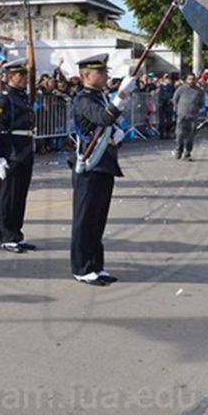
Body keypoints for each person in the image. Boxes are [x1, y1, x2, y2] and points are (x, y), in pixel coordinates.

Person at [69, 53, 137, 286]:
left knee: (98, 219)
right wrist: (121, 96)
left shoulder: (99, 97)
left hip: (103, 164)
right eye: (101, 72)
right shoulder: (84, 99)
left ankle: (96, 265)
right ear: (87, 75)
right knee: (85, 218)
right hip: (91, 166)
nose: (106, 75)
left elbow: (108, 123)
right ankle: (81, 267)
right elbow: (102, 118)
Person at [0, 58, 36, 253]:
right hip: (11, 153)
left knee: (20, 195)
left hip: (24, 150)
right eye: (20, 75)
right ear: (9, 77)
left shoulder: (22, 97)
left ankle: (16, 233)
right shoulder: (4, 99)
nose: (24, 78)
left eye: (25, 75)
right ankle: (7, 236)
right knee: (9, 196)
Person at [172, 72, 203, 160]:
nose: (191, 81)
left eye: (193, 79)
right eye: (189, 79)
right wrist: (179, 109)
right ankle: (179, 150)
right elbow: (175, 100)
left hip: (193, 115)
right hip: (182, 114)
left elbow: (201, 103)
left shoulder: (199, 91)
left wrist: (195, 109)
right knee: (179, 134)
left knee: (190, 135)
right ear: (186, 80)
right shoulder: (181, 89)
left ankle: (187, 153)